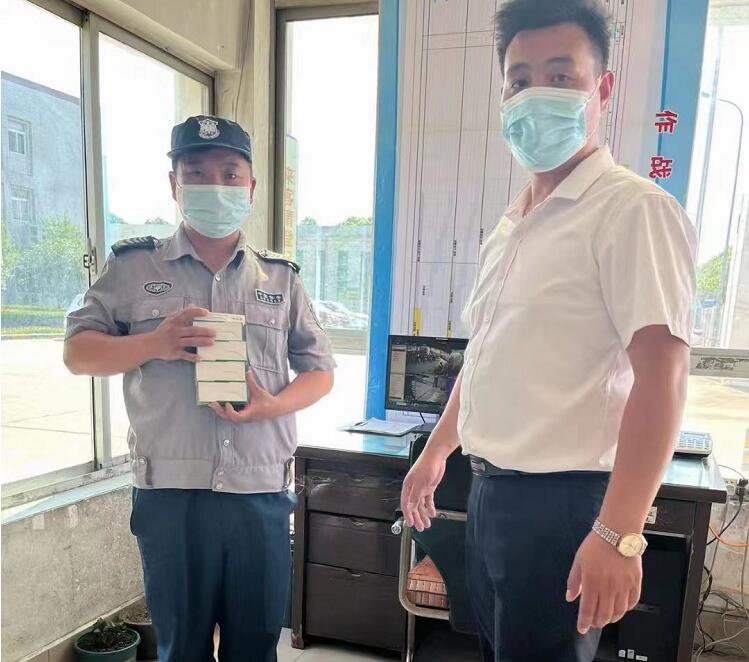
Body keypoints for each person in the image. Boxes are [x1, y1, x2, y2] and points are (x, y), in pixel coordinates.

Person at [400, 1, 696, 661]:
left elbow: (664, 377)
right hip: (491, 493)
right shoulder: (514, 224)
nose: (536, 94)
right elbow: (486, 357)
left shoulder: (632, 210)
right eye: (520, 79)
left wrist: (619, 533)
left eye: (561, 77)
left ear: (602, 90)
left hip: (561, 504)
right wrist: (437, 451)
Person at [63, 115, 335, 662]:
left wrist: (273, 405)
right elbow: (77, 352)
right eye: (197, 172)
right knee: (181, 649)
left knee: (254, 649)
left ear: (251, 188)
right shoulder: (133, 267)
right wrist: (154, 343)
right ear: (175, 185)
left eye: (230, 174)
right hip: (172, 497)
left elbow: (321, 371)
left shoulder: (280, 279)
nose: (216, 185)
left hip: (259, 495)